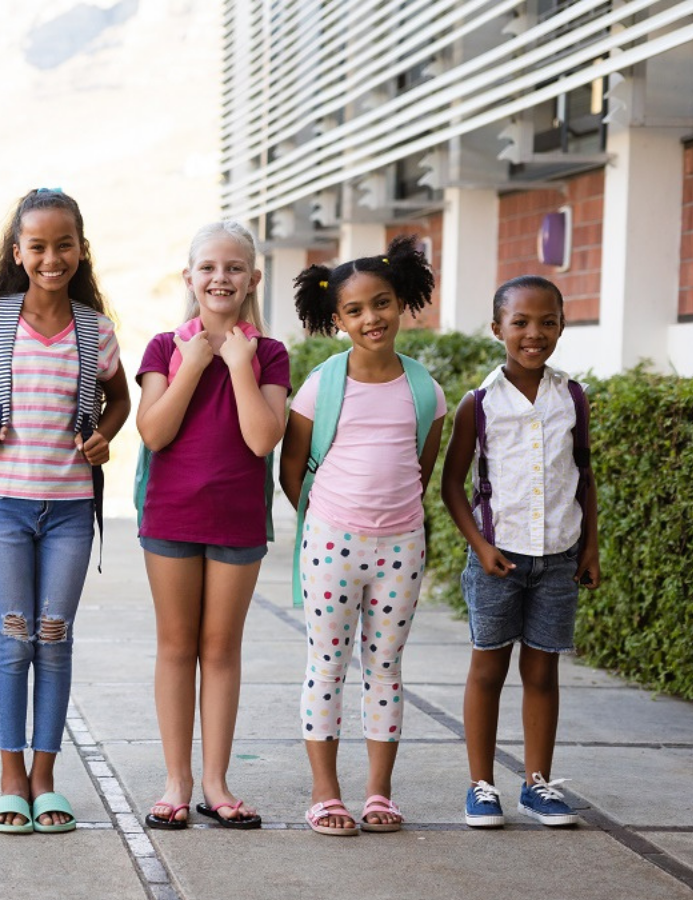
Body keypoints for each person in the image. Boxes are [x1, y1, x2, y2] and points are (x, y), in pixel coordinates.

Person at [0, 189, 131, 834]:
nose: (53, 257)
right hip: (3, 508)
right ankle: (9, 779)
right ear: (18, 253)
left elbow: (119, 400)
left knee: (53, 638)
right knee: (12, 637)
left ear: (80, 249)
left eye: (65, 245)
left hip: (72, 509)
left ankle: (45, 779)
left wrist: (103, 433)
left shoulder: (94, 330)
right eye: (39, 247)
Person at [278, 235, 445, 836]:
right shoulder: (322, 386)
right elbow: (291, 468)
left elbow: (421, 467)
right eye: (355, 310)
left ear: (402, 302)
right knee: (327, 665)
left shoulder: (425, 389)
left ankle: (379, 793)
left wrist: (391, 519)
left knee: (386, 668)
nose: (370, 318)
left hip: (401, 546)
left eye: (381, 303)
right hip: (331, 543)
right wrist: (327, 517)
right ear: (337, 318)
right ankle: (326, 793)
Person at [134, 222, 289, 830]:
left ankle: (216, 782)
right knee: (176, 646)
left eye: (233, 268)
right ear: (190, 278)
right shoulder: (162, 347)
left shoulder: (270, 353)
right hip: (171, 515)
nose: (220, 278)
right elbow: (153, 431)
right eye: (208, 268)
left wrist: (240, 364)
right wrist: (193, 362)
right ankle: (176, 781)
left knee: (221, 650)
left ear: (252, 279)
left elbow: (260, 439)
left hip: (237, 520)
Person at [440, 274, 600, 828]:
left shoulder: (572, 397)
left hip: (558, 557)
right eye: (522, 323)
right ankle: (481, 786)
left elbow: (583, 476)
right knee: (488, 669)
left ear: (561, 326)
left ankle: (537, 785)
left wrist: (591, 548)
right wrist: (480, 547)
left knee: (543, 671)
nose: (535, 334)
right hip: (499, 560)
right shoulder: (479, 404)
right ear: (497, 329)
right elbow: (451, 486)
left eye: (548, 322)